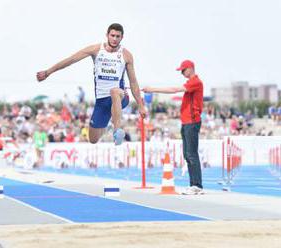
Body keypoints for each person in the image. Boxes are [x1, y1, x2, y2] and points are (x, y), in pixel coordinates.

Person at [36, 23, 146, 145]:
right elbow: (71, 60)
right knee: (93, 140)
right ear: (107, 35)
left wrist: (140, 105)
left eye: (117, 36)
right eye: (112, 35)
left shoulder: (126, 55)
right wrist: (48, 72)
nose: (114, 39)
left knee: (114, 91)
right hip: (102, 102)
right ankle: (109, 123)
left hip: (120, 96)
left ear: (122, 37)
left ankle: (117, 131)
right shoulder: (96, 50)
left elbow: (133, 82)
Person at [143, 60, 204, 195]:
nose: (182, 73)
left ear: (190, 68)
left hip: (192, 122)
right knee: (188, 154)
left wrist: (152, 89)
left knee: (191, 154)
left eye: (183, 70)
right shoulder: (192, 83)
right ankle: (194, 184)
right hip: (187, 122)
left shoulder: (195, 82)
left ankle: (197, 185)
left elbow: (174, 90)